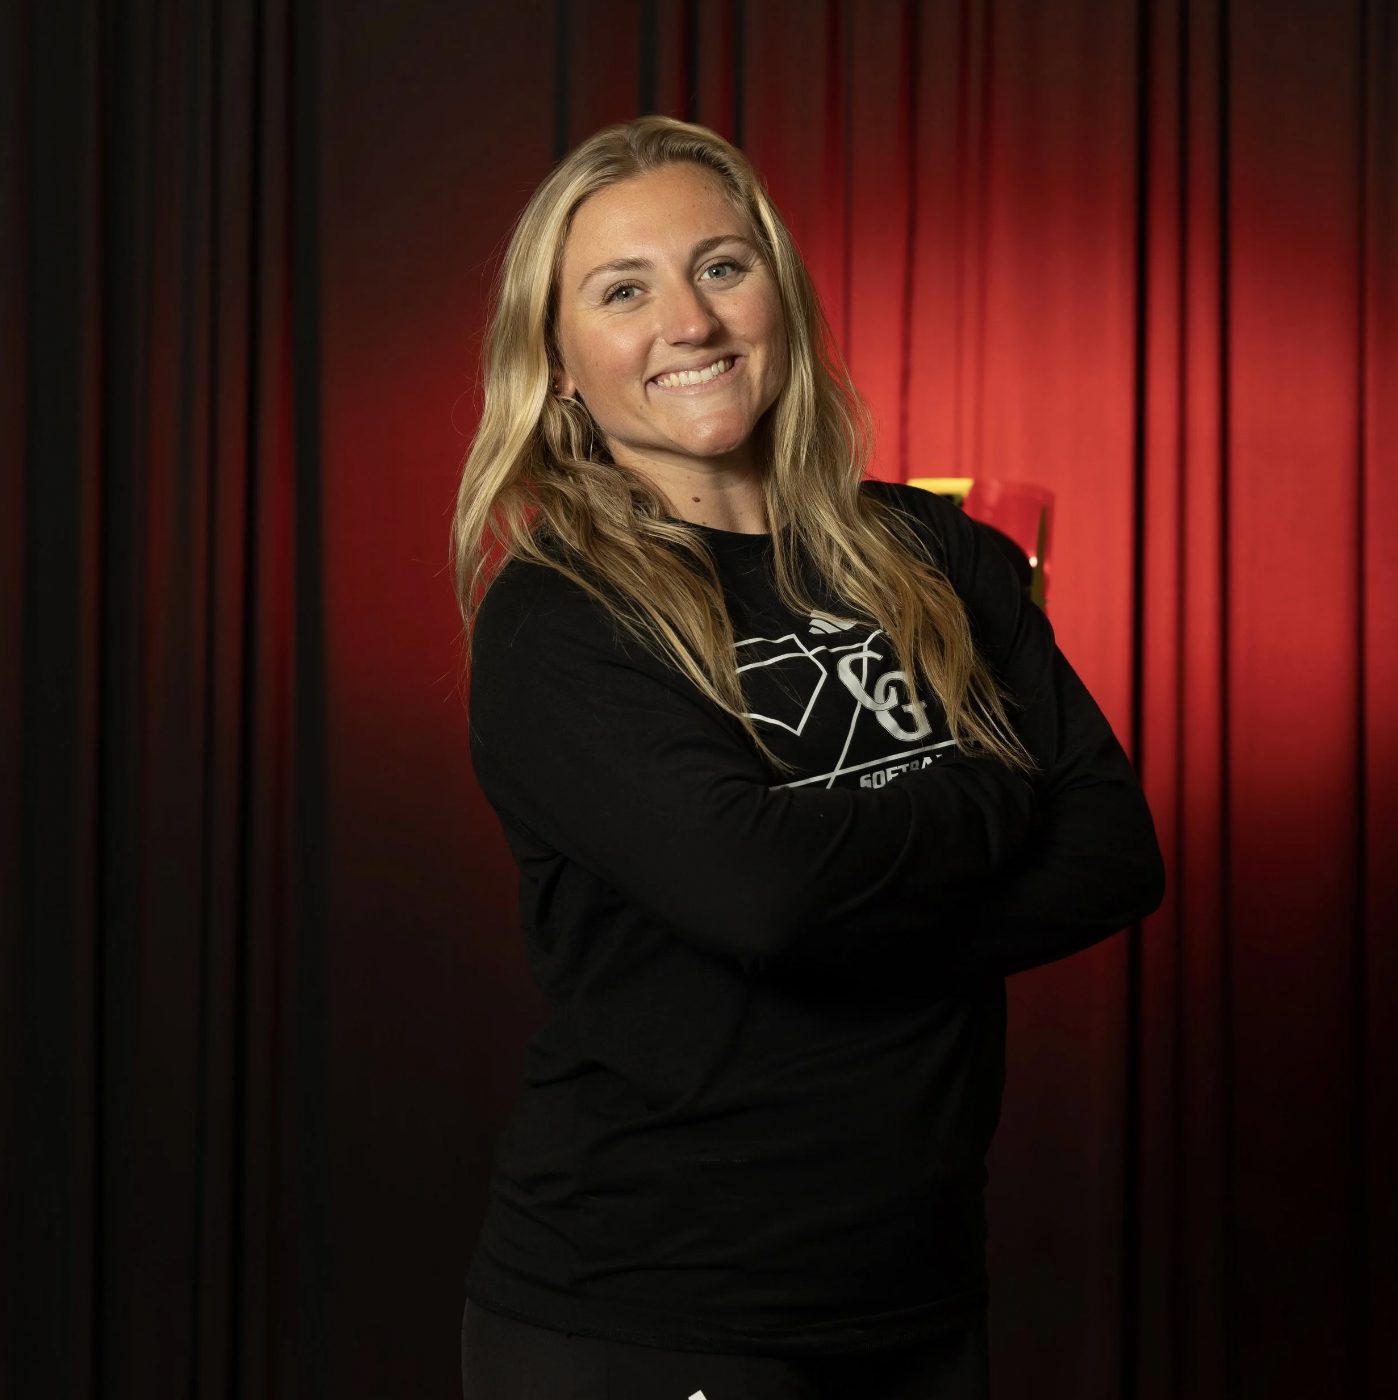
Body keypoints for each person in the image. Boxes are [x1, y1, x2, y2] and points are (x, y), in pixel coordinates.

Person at [450, 115, 1164, 1400]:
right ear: (557, 364)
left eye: (721, 265)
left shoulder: (940, 555)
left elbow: (1114, 850)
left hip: (917, 1291)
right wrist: (990, 788)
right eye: (624, 290)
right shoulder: (559, 620)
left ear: (779, 291)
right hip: (650, 1310)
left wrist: (820, 936)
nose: (691, 320)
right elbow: (756, 892)